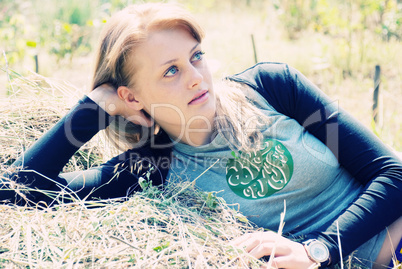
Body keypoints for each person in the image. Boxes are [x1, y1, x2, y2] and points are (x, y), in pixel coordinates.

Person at [1, 3, 401, 269]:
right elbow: (17, 191)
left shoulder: (273, 88)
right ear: (131, 96)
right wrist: (93, 109)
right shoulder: (150, 168)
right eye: (170, 71)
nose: (196, 78)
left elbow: (392, 174)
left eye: (196, 56)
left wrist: (319, 250)